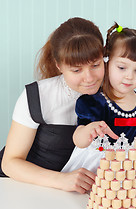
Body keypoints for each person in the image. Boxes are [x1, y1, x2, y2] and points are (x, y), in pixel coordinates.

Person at [0, 17, 113, 194]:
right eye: (76, 70)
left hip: (85, 198)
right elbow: (10, 163)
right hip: (25, 189)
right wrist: (62, 180)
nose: (89, 78)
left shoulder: (117, 93)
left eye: (95, 65)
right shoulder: (38, 96)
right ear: (59, 65)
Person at [63, 22, 136, 173]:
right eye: (122, 68)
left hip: (132, 169)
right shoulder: (94, 103)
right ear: (107, 62)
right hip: (96, 167)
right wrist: (89, 131)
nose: (129, 76)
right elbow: (78, 140)